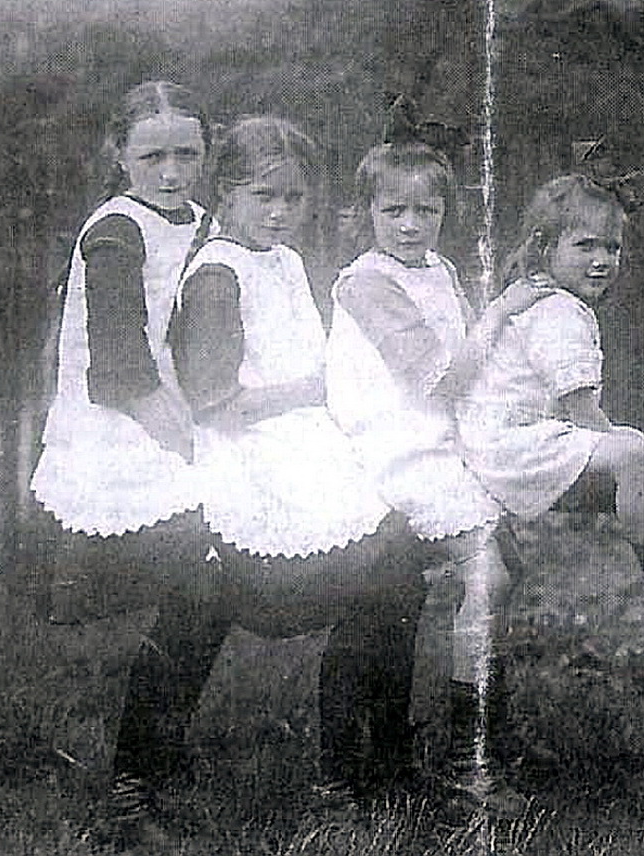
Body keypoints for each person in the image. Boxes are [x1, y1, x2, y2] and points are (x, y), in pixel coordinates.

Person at [169, 116, 434, 813]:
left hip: (307, 446)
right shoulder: (218, 275)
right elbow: (213, 400)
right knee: (378, 574)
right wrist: (318, 390)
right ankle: (338, 778)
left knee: (401, 570)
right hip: (251, 461)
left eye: (293, 198)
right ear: (226, 193)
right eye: (265, 197)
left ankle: (384, 758)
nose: (282, 213)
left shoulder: (281, 261)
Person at [323, 112, 541, 817]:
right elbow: (442, 375)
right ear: (367, 214)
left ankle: (480, 739)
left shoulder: (440, 271)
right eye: (394, 210)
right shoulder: (365, 282)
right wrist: (505, 311)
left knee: (496, 580)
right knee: (490, 576)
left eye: (428, 209)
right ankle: (466, 759)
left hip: (446, 445)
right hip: (395, 450)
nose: (411, 225)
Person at [26, 80, 220, 844]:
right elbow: (120, 371)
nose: (172, 172)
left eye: (188, 154)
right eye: (153, 156)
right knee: (205, 576)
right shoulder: (115, 231)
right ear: (121, 156)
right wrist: (199, 453)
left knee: (210, 590)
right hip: (118, 428)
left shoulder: (205, 224)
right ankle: (135, 788)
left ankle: (158, 753)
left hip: (182, 411)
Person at [455, 173, 644, 631]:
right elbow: (582, 411)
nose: (601, 260)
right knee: (630, 452)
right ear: (545, 247)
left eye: (611, 248)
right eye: (585, 246)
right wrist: (634, 461)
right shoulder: (555, 312)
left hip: (512, 437)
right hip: (505, 443)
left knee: (632, 455)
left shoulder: (557, 301)